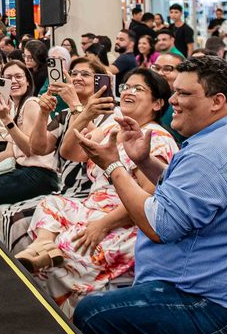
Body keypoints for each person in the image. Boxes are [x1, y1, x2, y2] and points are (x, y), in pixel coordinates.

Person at [72, 56, 227, 334]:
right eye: (174, 91)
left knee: (94, 314)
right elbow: (192, 193)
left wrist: (113, 166)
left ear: (217, 101)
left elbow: (158, 227)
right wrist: (144, 161)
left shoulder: (212, 152)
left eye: (184, 93)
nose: (173, 100)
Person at [17, 69, 177, 311]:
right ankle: (43, 246)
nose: (129, 92)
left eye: (138, 88)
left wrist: (103, 225)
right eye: (126, 86)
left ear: (157, 104)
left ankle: (68, 317)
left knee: (66, 248)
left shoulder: (156, 138)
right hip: (92, 206)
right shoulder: (114, 124)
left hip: (124, 220)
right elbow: (70, 151)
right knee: (50, 204)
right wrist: (84, 113)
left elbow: (148, 198)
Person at [0, 62, 60, 219]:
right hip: (23, 170)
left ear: (28, 81)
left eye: (18, 77)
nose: (14, 81)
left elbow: (29, 149)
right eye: (8, 78)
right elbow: (9, 152)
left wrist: (6, 120)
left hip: (40, 175)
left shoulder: (31, 104)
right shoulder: (14, 108)